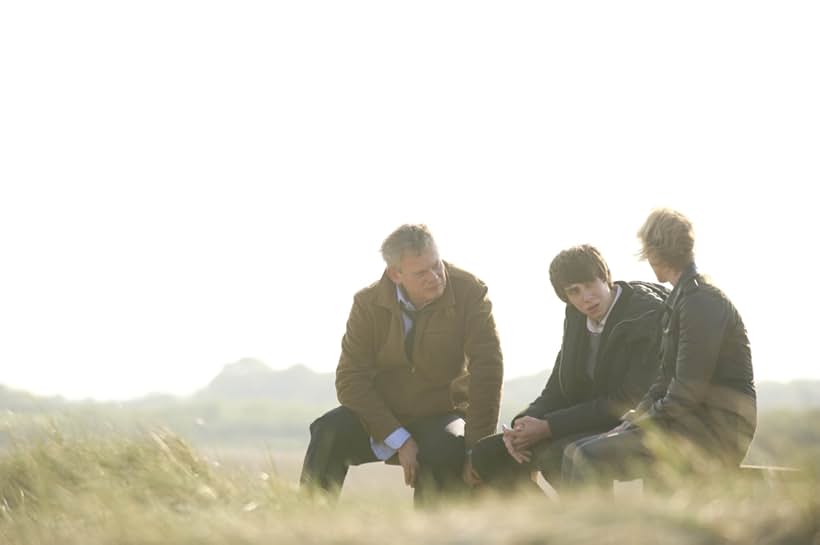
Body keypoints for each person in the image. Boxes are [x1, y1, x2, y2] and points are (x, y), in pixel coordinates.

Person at [299, 224, 504, 505]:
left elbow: (488, 371)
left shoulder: (471, 291)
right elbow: (350, 379)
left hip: (443, 413)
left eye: (436, 265)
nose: (434, 277)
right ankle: (309, 528)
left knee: (447, 451)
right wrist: (400, 439)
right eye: (421, 273)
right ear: (395, 274)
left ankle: (430, 536)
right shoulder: (366, 303)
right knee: (328, 431)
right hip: (384, 414)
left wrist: (475, 452)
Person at [562, 209, 757, 488]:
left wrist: (643, 423)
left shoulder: (700, 302)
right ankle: (591, 530)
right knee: (579, 450)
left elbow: (686, 391)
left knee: (584, 455)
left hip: (716, 431)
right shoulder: (681, 299)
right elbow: (663, 380)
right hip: (687, 423)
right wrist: (634, 418)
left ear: (653, 252)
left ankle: (594, 530)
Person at [470, 244, 667, 493]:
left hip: (633, 423)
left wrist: (548, 427)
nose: (586, 297)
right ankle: (543, 525)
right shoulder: (576, 317)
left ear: (605, 276)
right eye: (574, 291)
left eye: (590, 284)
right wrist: (523, 424)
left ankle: (593, 525)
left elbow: (627, 399)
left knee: (561, 453)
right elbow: (559, 387)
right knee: (489, 453)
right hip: (588, 420)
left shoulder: (644, 315)